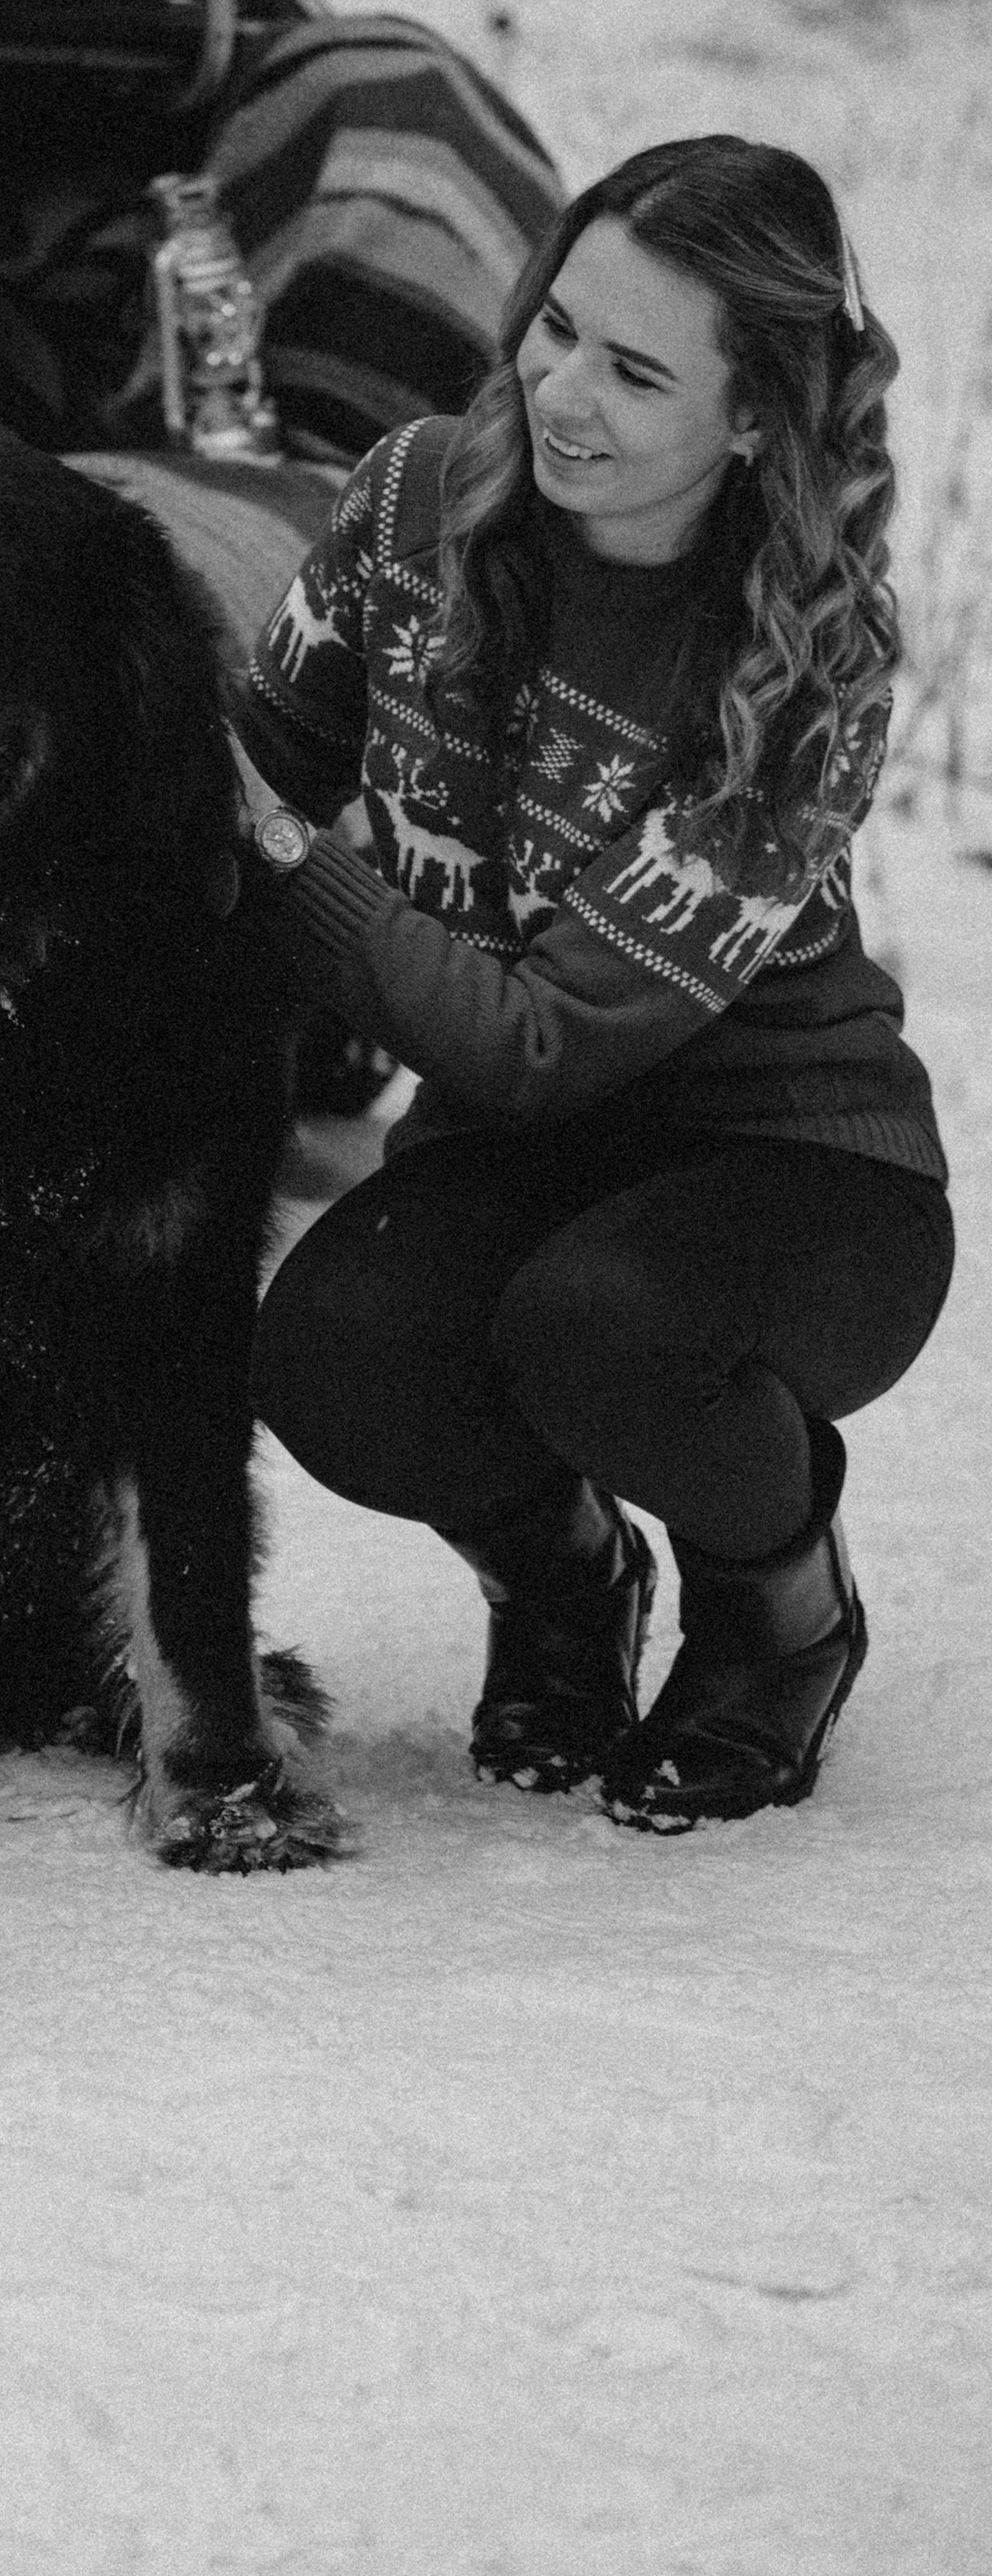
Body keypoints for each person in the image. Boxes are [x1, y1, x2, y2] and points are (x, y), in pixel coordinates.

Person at [228, 135, 951, 1830]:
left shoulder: (803, 666)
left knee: (604, 1326)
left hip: (796, 1168)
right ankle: (562, 1578)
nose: (559, 391)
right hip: (524, 1151)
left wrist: (270, 853)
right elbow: (253, 770)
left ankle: (782, 1616)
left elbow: (536, 1038)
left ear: (758, 416)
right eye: (555, 330)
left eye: (634, 371)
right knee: (333, 1352)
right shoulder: (414, 498)